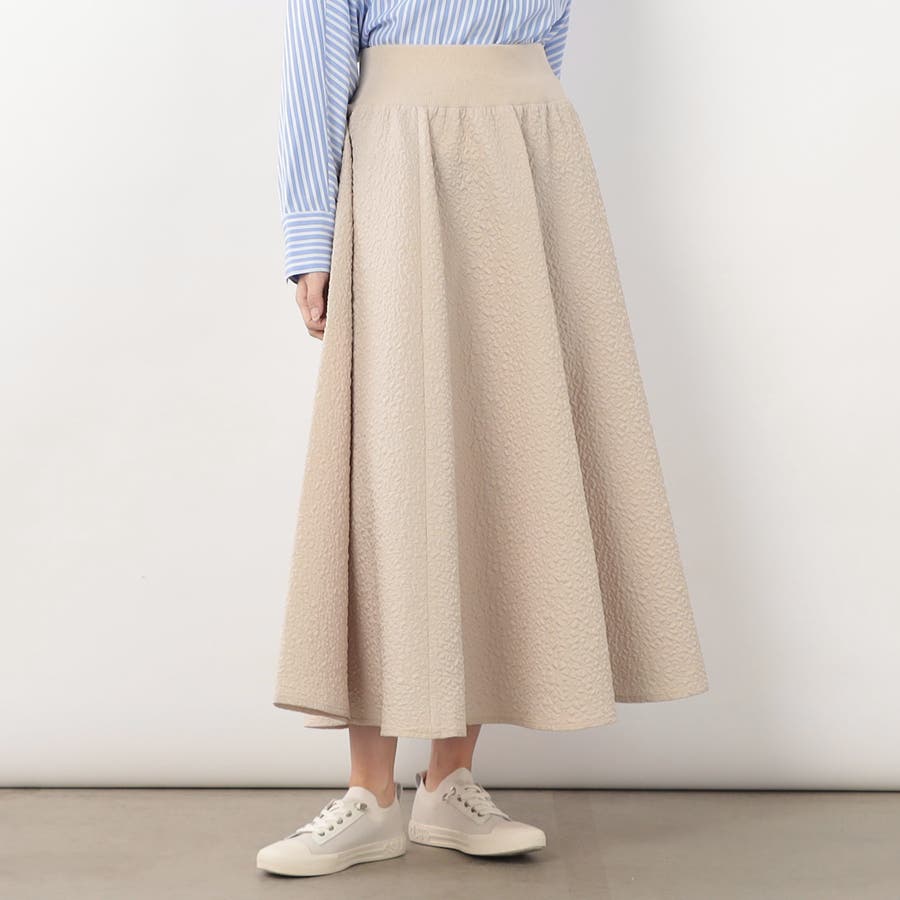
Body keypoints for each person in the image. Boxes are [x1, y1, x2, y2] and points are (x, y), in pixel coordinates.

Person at [257, 0, 709, 878]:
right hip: (398, 151)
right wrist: (310, 234)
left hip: (531, 153)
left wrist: (517, 138)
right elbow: (315, 64)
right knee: (390, 463)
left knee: (505, 452)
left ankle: (449, 781)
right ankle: (369, 794)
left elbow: (550, 36)